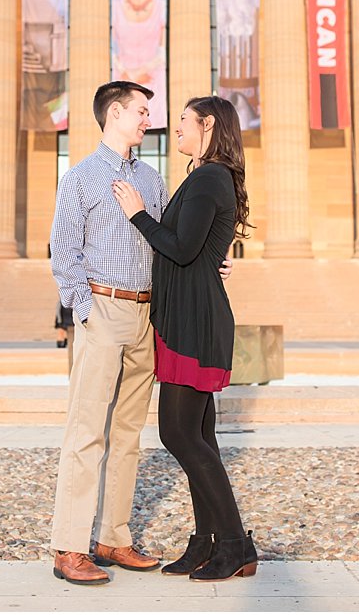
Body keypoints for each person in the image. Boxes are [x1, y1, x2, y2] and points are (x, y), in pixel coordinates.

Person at [111, 95, 259, 583]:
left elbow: (180, 246)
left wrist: (136, 213)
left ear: (208, 124)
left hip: (194, 324)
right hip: (190, 315)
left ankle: (234, 543)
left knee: (177, 433)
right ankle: (204, 542)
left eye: (182, 121)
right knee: (201, 436)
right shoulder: (203, 177)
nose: (174, 128)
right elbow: (200, 248)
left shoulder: (209, 176)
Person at [47, 80, 168, 586]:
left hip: (144, 315)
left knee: (128, 434)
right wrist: (84, 308)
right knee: (86, 431)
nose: (147, 119)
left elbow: (167, 241)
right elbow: (63, 247)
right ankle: (69, 546)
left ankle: (113, 537)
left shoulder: (152, 180)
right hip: (103, 308)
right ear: (115, 114)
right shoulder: (80, 178)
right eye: (141, 111)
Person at [111, 0, 167, 130]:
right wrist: (125, 71)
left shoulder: (161, 7)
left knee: (148, 117)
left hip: (152, 78)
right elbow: (109, 49)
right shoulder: (115, 7)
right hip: (122, 79)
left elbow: (163, 50)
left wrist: (139, 72)